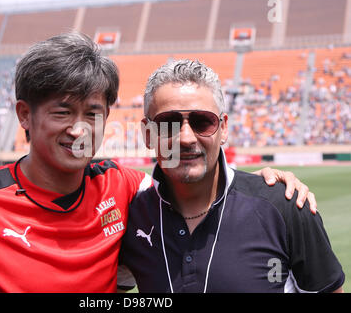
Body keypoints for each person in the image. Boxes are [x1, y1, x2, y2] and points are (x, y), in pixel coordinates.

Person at [0, 33, 316, 293]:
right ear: (25, 115)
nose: (79, 130)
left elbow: (193, 186)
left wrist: (267, 183)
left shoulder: (123, 188)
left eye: (92, 113)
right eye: (62, 112)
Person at [118, 60, 344, 293]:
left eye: (202, 122)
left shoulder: (284, 205)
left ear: (223, 128)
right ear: (147, 134)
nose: (186, 139)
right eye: (169, 124)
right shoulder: (130, 217)